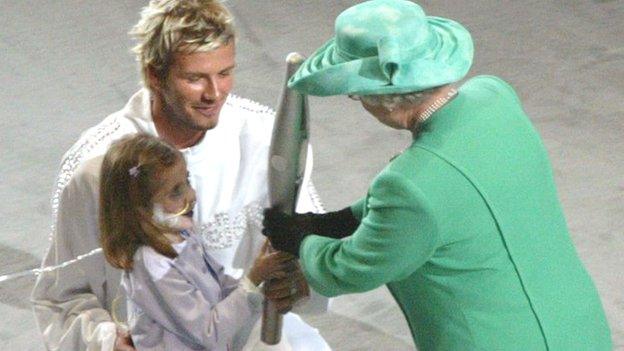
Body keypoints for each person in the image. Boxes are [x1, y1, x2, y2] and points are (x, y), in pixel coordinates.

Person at [262, 0, 613, 350]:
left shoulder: (408, 185)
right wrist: (340, 221)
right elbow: (446, 200)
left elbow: (353, 268)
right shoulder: (495, 96)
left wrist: (301, 241)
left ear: (376, 97)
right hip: (577, 327)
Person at [30, 1, 330, 350]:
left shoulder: (266, 138)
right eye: (194, 78)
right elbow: (61, 299)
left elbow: (312, 251)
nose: (214, 94)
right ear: (154, 74)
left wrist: (299, 277)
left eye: (225, 73)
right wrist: (107, 341)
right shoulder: (98, 168)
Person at [99, 134, 296, 351]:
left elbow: (219, 284)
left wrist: (259, 287)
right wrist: (253, 280)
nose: (191, 195)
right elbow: (209, 333)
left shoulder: (181, 236)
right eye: (175, 192)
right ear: (140, 211)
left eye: (187, 181)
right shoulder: (154, 265)